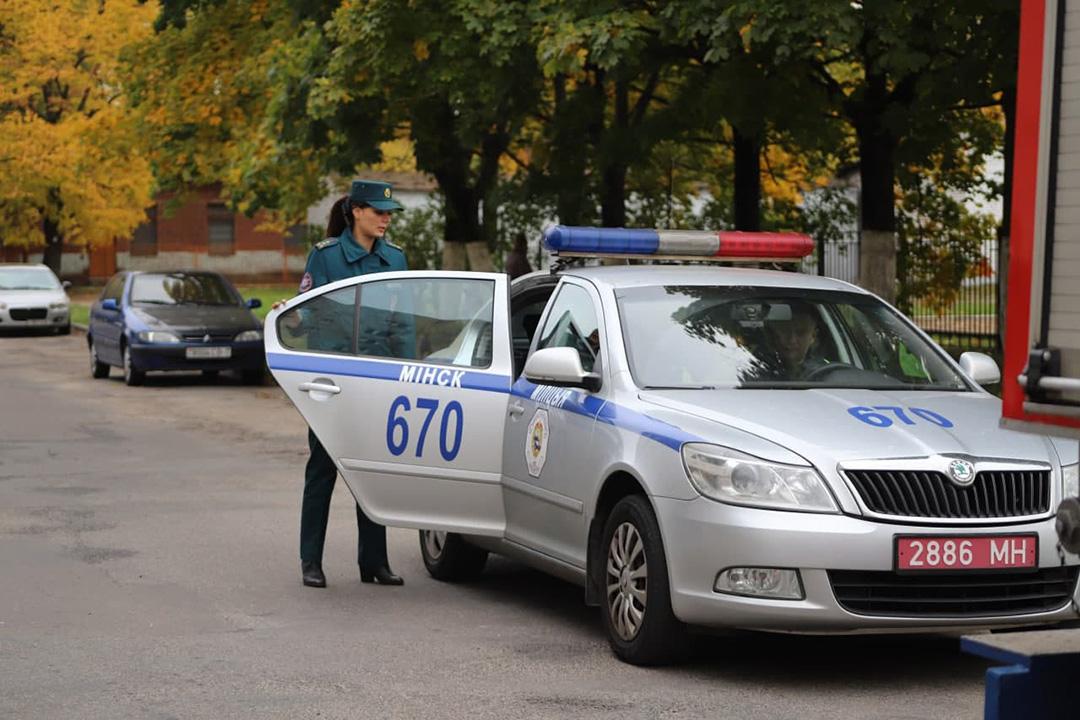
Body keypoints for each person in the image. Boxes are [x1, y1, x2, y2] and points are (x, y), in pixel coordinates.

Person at [289, 179, 408, 589]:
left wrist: (407, 374)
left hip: (377, 379)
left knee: (372, 472)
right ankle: (311, 561)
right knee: (323, 470)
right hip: (332, 382)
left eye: (389, 213)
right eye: (378, 212)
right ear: (356, 211)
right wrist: (290, 316)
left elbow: (403, 323)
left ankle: (374, 562)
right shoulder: (325, 257)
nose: (385, 220)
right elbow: (307, 314)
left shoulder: (395, 259)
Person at [763, 301, 824, 380]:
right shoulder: (757, 367)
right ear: (773, 334)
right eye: (785, 331)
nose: (792, 340)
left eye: (801, 333)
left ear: (813, 336)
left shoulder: (825, 373)